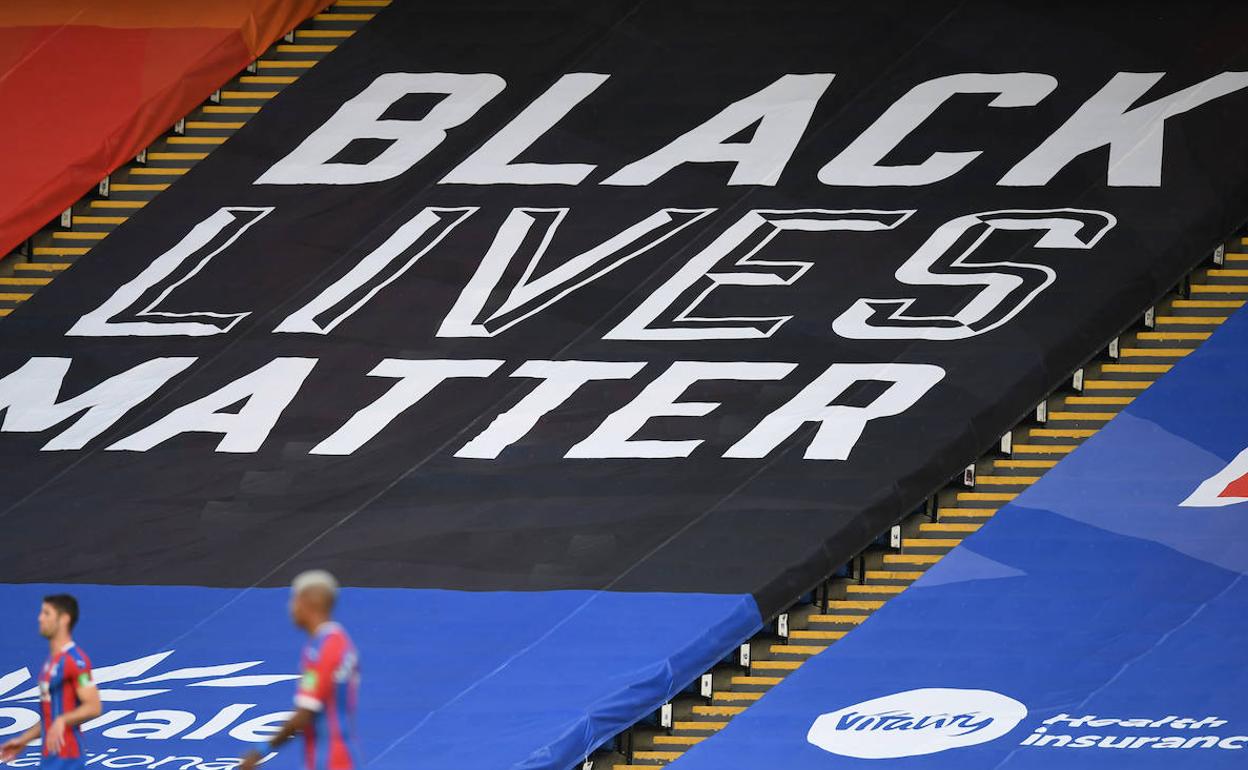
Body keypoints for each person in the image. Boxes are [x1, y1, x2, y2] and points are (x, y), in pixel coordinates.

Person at [239, 571, 359, 770]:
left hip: (328, 759)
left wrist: (260, 751)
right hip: (341, 754)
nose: (291, 607)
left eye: (294, 600)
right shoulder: (340, 641)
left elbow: (305, 713)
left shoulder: (321, 651)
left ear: (307, 602)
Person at [1, 595, 102, 770]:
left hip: (68, 757)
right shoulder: (51, 662)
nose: (40, 618)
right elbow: (51, 719)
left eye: (46, 613)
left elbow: (94, 707)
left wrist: (63, 720)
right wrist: (23, 740)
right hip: (50, 756)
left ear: (64, 619)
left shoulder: (76, 661)